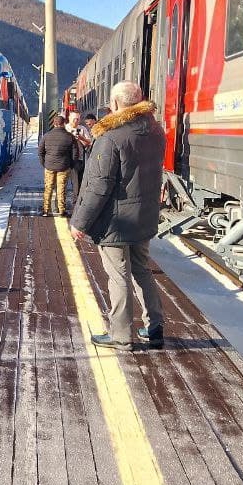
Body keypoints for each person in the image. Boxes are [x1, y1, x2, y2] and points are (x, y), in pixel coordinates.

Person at [70, 81, 165, 350]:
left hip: (116, 221)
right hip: (144, 217)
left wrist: (80, 221)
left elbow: (99, 185)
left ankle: (121, 335)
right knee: (141, 270)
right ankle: (155, 326)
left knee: (118, 275)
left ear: (114, 105)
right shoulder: (156, 131)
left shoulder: (111, 137)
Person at [37, 113, 77, 217]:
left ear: (54, 124)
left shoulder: (46, 136)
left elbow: (40, 152)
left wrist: (44, 164)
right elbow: (75, 153)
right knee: (61, 188)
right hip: (64, 166)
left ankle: (45, 210)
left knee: (48, 188)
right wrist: (71, 165)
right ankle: (61, 211)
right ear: (63, 124)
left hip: (49, 166)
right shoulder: (70, 137)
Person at [64, 108, 92, 202]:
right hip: (67, 158)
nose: (76, 121)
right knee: (69, 181)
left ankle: (77, 199)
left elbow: (89, 142)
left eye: (78, 119)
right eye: (74, 118)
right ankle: (74, 199)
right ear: (69, 118)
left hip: (79, 158)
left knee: (78, 180)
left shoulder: (82, 129)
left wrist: (81, 138)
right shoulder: (65, 129)